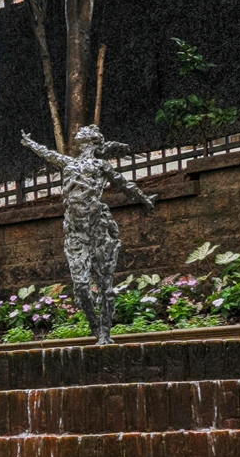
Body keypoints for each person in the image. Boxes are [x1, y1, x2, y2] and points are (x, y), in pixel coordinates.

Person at [19, 125, 157, 345]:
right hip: (75, 231)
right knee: (81, 286)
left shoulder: (101, 165)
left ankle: (105, 333)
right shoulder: (69, 163)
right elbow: (48, 154)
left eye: (87, 141)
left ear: (94, 144)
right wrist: (30, 143)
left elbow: (124, 184)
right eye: (81, 141)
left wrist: (144, 199)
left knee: (104, 286)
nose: (82, 145)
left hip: (100, 229)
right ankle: (95, 328)